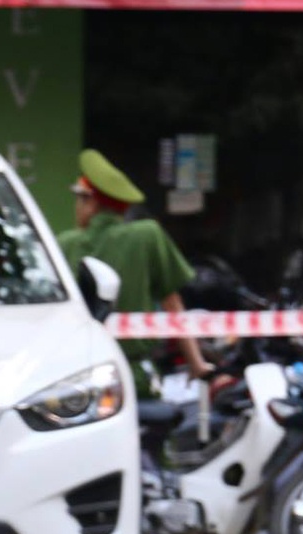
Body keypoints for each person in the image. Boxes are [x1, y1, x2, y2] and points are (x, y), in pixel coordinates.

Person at [56, 148, 209, 385]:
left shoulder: (65, 244)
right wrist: (196, 363)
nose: (76, 206)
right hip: (135, 377)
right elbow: (172, 304)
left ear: (91, 202)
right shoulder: (146, 235)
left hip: (75, 378)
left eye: (79, 198)